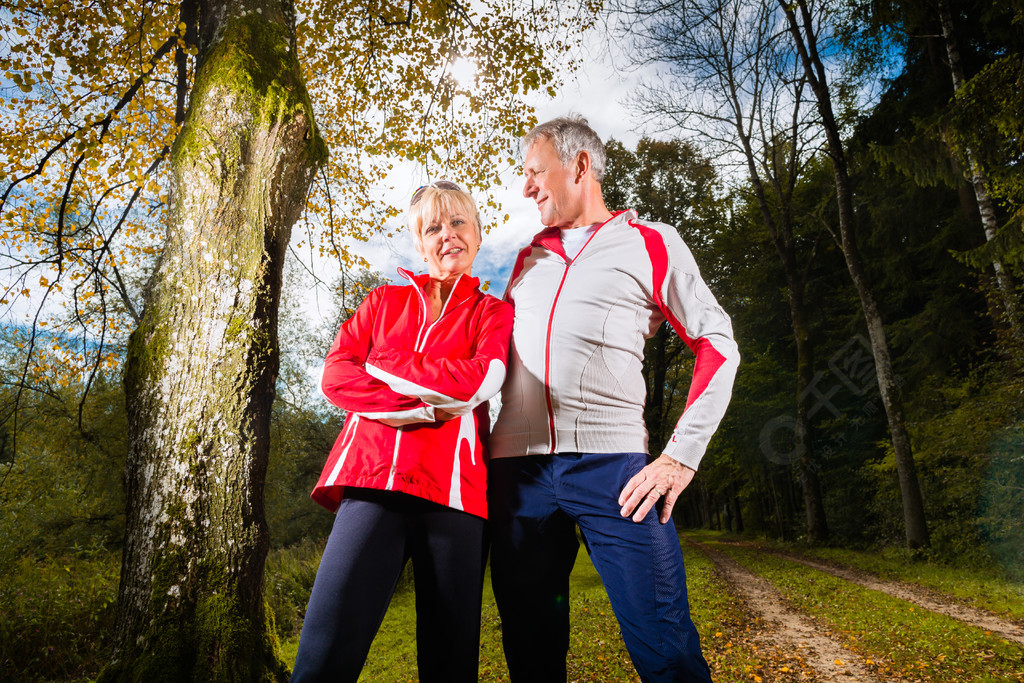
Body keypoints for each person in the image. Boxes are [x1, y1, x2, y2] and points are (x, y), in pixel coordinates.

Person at [488, 115, 740, 682]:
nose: (526, 188)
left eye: (535, 173)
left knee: (665, 642)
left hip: (615, 473)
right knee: (529, 647)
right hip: (517, 479)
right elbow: (492, 365)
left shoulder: (651, 241)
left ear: (579, 166)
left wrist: (679, 457)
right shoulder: (525, 261)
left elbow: (717, 343)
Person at [291, 181, 514, 683]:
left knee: (450, 663)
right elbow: (336, 375)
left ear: (477, 234)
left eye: (458, 222)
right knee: (322, 657)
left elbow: (479, 381)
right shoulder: (381, 301)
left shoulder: (493, 312)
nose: (448, 235)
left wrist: (383, 361)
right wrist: (418, 408)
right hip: (371, 485)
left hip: (456, 496)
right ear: (419, 242)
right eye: (433, 227)